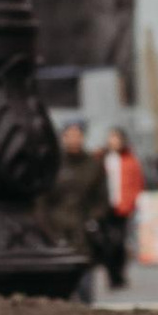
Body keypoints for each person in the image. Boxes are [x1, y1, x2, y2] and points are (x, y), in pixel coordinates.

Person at [44, 119, 110, 304]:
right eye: (69, 135)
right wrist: (46, 226)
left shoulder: (93, 166)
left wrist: (93, 220)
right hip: (55, 231)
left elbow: (101, 200)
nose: (73, 139)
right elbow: (42, 200)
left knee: (85, 280)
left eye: (77, 135)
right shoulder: (53, 165)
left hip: (83, 231)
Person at [98, 125, 144, 292]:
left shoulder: (130, 160)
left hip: (122, 207)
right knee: (107, 243)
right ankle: (112, 276)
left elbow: (137, 182)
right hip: (104, 207)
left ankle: (119, 274)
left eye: (116, 138)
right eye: (111, 138)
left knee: (119, 242)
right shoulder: (102, 159)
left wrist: (132, 201)